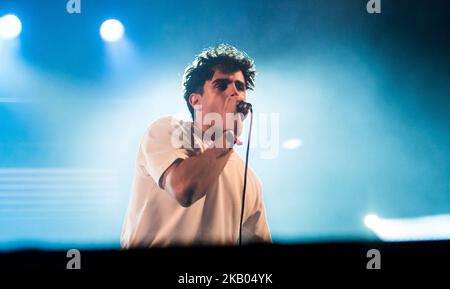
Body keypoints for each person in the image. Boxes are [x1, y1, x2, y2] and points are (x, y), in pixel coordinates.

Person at [121, 44, 271, 247]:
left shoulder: (249, 179)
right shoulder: (167, 131)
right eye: (221, 85)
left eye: (240, 86)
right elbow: (184, 189)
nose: (234, 93)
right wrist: (228, 135)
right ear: (196, 100)